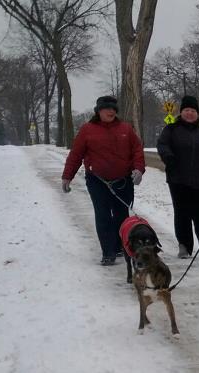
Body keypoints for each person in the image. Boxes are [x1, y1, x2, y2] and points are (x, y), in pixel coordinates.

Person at [61, 95, 145, 266]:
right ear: (98, 111)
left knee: (122, 215)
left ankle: (119, 245)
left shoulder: (126, 129)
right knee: (103, 215)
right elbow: (76, 155)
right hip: (97, 181)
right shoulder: (87, 130)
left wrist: (138, 169)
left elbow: (137, 150)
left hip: (123, 180)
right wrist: (67, 176)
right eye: (107, 108)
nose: (111, 111)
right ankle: (108, 252)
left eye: (113, 109)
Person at [156, 95, 199, 263]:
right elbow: (162, 145)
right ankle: (185, 246)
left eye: (193, 111)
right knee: (182, 213)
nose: (190, 113)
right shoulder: (172, 129)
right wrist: (169, 158)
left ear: (198, 114)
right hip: (178, 180)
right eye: (187, 110)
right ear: (181, 112)